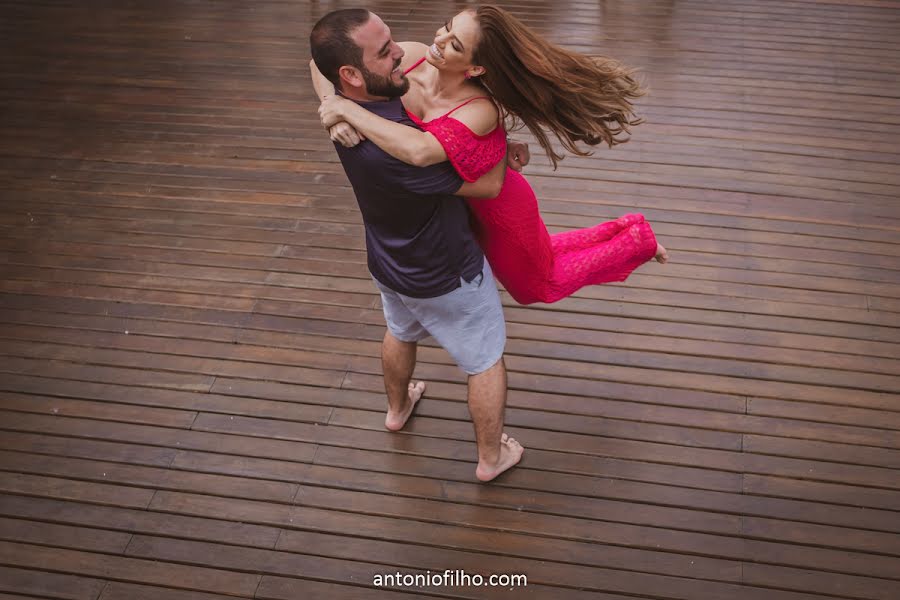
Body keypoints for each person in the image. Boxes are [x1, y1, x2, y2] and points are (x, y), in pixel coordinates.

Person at [315, 5, 668, 306]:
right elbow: (321, 61)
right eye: (447, 27)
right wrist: (330, 103)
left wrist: (345, 109)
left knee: (537, 286)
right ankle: (624, 230)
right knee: (543, 254)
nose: (438, 40)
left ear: (474, 68)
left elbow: (421, 151)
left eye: (454, 44)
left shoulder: (481, 109)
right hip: (475, 207)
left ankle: (636, 242)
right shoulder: (410, 56)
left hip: (501, 210)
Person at [309, 8, 524, 482]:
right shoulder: (400, 149)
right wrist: (501, 149)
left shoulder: (354, 108)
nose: (401, 55)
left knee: (400, 330)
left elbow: (317, 61)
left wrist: (334, 107)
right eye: (385, 53)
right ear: (352, 74)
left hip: (386, 260)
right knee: (485, 360)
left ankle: (397, 408)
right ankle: (492, 457)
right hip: (447, 270)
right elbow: (486, 185)